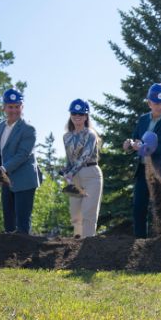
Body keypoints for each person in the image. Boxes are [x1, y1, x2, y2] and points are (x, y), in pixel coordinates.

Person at [122, 83, 161, 238]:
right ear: (149, 103)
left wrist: (144, 146)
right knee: (139, 206)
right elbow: (135, 138)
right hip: (143, 171)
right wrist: (129, 145)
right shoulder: (143, 120)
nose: (160, 107)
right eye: (156, 103)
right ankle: (140, 242)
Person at [0, 89, 40, 234]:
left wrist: (3, 168)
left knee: (22, 227)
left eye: (17, 106)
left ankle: (23, 256)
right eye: (10, 106)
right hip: (7, 179)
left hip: (24, 180)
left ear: (22, 107)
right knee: (9, 225)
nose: (13, 110)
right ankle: (8, 256)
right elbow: (0, 151)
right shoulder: (1, 126)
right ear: (4, 107)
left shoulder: (28, 128)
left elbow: (23, 154)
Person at [63, 99, 103, 238]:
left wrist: (70, 172)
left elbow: (85, 157)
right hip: (75, 177)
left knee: (88, 213)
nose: (77, 116)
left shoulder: (91, 134)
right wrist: (66, 171)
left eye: (81, 113)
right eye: (74, 113)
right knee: (75, 214)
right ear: (71, 115)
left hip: (91, 174)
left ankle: (87, 246)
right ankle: (76, 245)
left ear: (86, 116)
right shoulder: (66, 136)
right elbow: (70, 159)